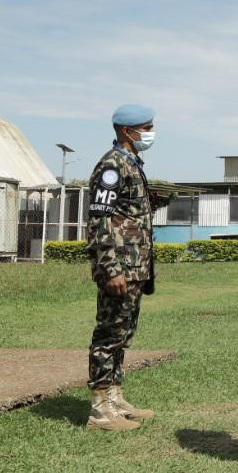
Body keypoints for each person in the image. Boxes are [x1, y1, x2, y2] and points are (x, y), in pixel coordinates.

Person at [85, 104, 165, 432]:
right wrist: (111, 268)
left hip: (135, 266)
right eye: (145, 127)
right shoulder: (112, 166)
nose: (150, 133)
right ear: (126, 131)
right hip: (119, 265)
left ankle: (115, 398)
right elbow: (100, 219)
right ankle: (100, 411)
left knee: (123, 332)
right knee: (109, 333)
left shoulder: (131, 163)